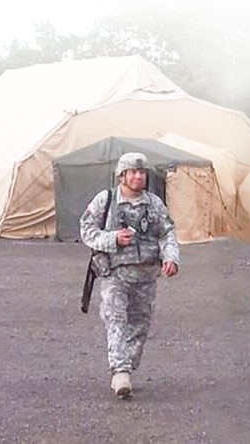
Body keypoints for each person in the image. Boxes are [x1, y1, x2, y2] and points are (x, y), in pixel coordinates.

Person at [80, 152, 180, 399]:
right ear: (121, 175)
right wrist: (112, 238)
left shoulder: (154, 204)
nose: (138, 176)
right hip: (115, 273)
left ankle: (127, 365)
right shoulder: (107, 200)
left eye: (142, 172)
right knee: (116, 320)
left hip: (146, 275)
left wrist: (171, 257)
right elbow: (86, 229)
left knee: (139, 326)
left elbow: (167, 233)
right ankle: (120, 372)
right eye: (133, 172)